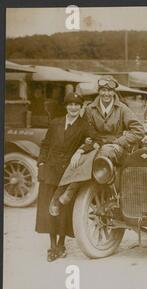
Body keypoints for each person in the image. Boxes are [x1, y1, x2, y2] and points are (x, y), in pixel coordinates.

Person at [55, 76, 145, 206]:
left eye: (109, 91)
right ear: (99, 91)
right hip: (96, 145)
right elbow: (86, 132)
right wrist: (81, 150)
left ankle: (71, 190)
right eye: (103, 90)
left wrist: (119, 142)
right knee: (78, 158)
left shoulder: (122, 109)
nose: (106, 94)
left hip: (116, 148)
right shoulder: (90, 109)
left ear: (114, 92)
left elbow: (139, 130)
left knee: (104, 152)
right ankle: (61, 192)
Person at [35, 92, 97, 262]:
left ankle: (61, 245)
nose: (73, 108)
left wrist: (80, 150)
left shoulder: (84, 125)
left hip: (68, 173)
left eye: (77, 105)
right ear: (66, 106)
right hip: (50, 171)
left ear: (81, 107)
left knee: (63, 210)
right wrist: (41, 163)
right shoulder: (55, 123)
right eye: (70, 105)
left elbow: (92, 141)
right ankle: (52, 245)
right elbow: (45, 144)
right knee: (48, 209)